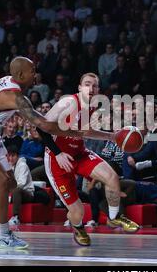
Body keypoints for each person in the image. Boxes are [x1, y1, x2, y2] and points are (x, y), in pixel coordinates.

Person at [0, 57, 87, 249]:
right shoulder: (15, 97)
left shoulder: (13, 84)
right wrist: (80, 131)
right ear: (20, 75)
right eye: (32, 70)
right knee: (1, 181)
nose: (36, 74)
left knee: (10, 183)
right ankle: (5, 236)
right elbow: (45, 125)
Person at [43, 72, 140, 246]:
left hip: (79, 153)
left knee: (112, 177)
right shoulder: (68, 102)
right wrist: (57, 153)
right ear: (79, 88)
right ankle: (79, 228)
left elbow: (85, 132)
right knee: (77, 211)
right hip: (57, 159)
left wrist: (111, 136)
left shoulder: (93, 105)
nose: (91, 88)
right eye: (87, 84)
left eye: (95, 86)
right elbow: (42, 127)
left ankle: (113, 217)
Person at [6, 145, 50, 225]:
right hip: (13, 193)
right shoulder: (8, 167)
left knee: (17, 190)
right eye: (9, 156)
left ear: (17, 156)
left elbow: (21, 184)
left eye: (13, 156)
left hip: (27, 194)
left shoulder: (23, 165)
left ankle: (16, 217)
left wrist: (9, 193)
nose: (11, 158)